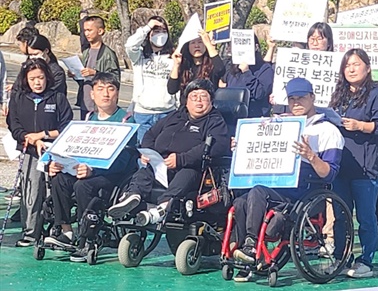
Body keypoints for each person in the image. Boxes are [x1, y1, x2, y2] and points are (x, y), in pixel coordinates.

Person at [231, 77, 344, 281]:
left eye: (301, 98)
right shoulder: (278, 123)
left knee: (257, 191)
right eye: (292, 99)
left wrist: (311, 155)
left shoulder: (328, 130)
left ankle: (250, 245)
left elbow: (330, 174)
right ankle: (247, 255)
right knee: (240, 202)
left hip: (304, 191)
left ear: (312, 97)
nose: (296, 103)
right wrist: (243, 147)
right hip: (275, 184)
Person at [108, 79, 230, 226]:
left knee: (188, 173)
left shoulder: (215, 121)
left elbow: (215, 145)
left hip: (191, 168)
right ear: (186, 101)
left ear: (211, 100)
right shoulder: (174, 116)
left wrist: (180, 159)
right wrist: (148, 152)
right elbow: (150, 135)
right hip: (160, 164)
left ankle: (162, 208)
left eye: (203, 96)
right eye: (194, 96)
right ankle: (132, 197)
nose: (198, 100)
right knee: (145, 172)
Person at [44, 73, 137, 261]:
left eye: (110, 89)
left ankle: (87, 237)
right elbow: (70, 149)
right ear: (92, 94)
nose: (106, 94)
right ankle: (67, 231)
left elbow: (124, 160)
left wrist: (93, 170)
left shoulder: (126, 121)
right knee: (59, 178)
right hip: (82, 169)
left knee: (83, 185)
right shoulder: (87, 118)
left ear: (117, 94)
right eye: (100, 89)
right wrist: (55, 164)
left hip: (110, 175)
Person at [329, 49, 378, 278]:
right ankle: (340, 257)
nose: (352, 69)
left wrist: (360, 126)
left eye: (356, 64)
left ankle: (366, 260)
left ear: (368, 67)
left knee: (366, 217)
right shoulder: (339, 95)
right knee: (340, 216)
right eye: (347, 65)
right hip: (341, 166)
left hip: (366, 167)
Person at [8, 58, 73, 247]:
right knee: (32, 192)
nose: (37, 82)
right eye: (32, 78)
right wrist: (31, 139)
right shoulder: (19, 97)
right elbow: (14, 126)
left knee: (57, 190)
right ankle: (30, 233)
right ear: (25, 80)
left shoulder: (57, 97)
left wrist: (44, 135)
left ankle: (59, 229)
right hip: (29, 150)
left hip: (55, 150)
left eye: (41, 78)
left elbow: (67, 125)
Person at [125, 16, 176, 143]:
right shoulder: (140, 56)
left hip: (167, 112)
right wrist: (147, 27)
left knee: (164, 152)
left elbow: (177, 84)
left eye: (163, 31)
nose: (160, 35)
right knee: (144, 153)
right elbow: (130, 45)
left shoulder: (173, 57)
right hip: (143, 114)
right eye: (156, 31)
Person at [75, 16, 120, 120]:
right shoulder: (86, 52)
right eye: (85, 30)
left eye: (89, 30)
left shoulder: (108, 54)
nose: (86, 34)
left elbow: (115, 78)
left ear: (100, 31)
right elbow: (83, 78)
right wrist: (75, 74)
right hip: (85, 103)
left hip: (100, 106)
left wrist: (95, 73)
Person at [220, 34, 274, 118]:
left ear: (255, 47)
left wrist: (247, 73)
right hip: (232, 118)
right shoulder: (231, 67)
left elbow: (260, 93)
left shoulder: (265, 68)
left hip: (254, 119)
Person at [168, 30, 226, 102]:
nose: (196, 46)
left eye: (200, 42)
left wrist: (209, 45)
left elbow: (220, 69)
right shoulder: (184, 66)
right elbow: (171, 89)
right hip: (185, 110)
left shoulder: (212, 65)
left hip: (207, 109)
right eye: (192, 43)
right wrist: (176, 65)